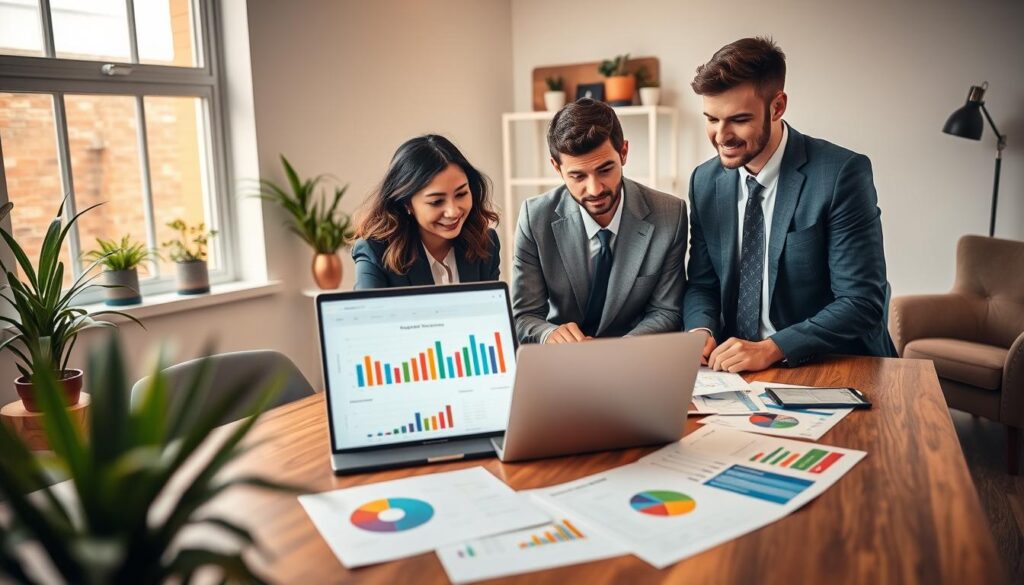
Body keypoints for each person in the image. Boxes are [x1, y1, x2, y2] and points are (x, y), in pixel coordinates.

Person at [684, 37, 897, 373]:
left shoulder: (841, 173)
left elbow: (861, 303)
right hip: (734, 371)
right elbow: (702, 283)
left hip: (833, 362)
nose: (721, 136)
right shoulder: (704, 182)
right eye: (711, 119)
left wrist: (772, 348)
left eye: (738, 119)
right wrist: (700, 331)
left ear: (777, 106)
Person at [511, 98, 687, 344]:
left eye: (605, 170)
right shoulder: (534, 218)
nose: (594, 189)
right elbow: (524, 316)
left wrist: (616, 352)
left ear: (623, 152)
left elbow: (667, 311)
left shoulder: (670, 214)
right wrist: (549, 334)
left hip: (633, 357)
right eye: (577, 176)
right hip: (563, 360)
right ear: (556, 168)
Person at [352, 135, 500, 288]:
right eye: (436, 201)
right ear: (407, 204)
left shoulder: (486, 243)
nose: (453, 212)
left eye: (461, 194)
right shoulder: (374, 252)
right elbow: (369, 312)